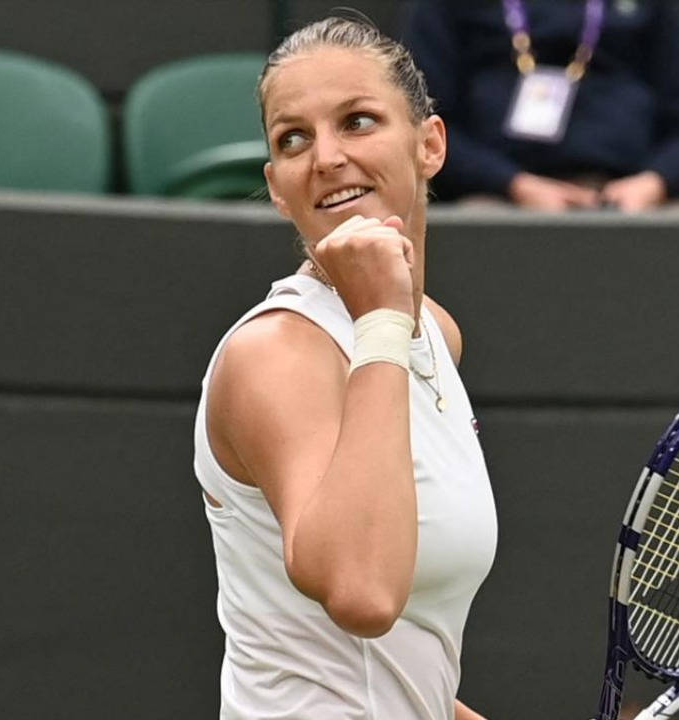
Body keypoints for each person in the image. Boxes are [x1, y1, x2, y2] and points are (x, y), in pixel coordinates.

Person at [193, 16, 497, 720]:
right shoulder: (275, 353)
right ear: (276, 185)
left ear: (430, 145)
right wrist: (383, 317)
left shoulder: (433, 337)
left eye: (357, 121)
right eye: (293, 139)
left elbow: (377, 668)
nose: (326, 157)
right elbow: (362, 594)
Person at [403, 0, 679, 212]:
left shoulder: (651, 9)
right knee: (471, 227)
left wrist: (653, 183)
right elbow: (426, 126)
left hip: (628, 199)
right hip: (497, 198)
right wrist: (514, 184)